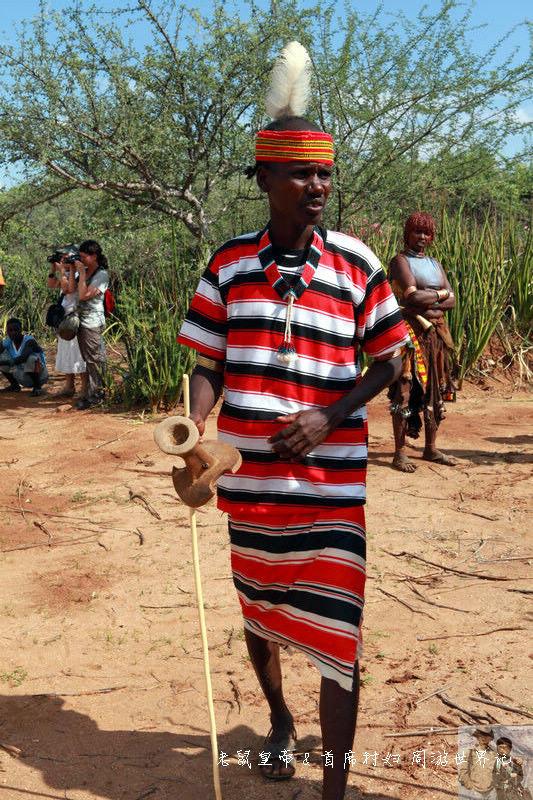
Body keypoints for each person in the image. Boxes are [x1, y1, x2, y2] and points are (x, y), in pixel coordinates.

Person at [177, 41, 409, 800]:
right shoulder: (228, 266)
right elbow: (206, 362)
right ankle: (277, 720)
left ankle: (334, 790)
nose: (318, 186)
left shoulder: (355, 264)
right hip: (248, 483)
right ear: (266, 178)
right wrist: (197, 433)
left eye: (324, 174)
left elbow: (387, 362)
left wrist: (327, 416)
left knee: (339, 633)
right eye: (303, 173)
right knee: (261, 611)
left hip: (329, 484)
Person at [388, 212, 457, 472]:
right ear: (407, 233)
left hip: (436, 334)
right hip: (410, 333)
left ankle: (430, 448)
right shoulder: (400, 261)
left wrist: (432, 296)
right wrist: (441, 294)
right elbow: (412, 298)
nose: (422, 237)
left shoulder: (435, 263)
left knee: (435, 389)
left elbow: (452, 301)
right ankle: (400, 452)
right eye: (417, 232)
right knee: (405, 388)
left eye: (427, 233)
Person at [70, 240, 109, 410]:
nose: (82, 260)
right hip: (81, 322)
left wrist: (82, 273)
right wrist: (72, 270)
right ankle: (91, 394)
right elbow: (71, 290)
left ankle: (98, 395)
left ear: (94, 256)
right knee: (87, 360)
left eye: (84, 256)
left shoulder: (102, 275)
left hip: (93, 322)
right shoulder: (83, 272)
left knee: (95, 359)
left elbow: (84, 295)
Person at [47, 253, 87, 398]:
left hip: (74, 320)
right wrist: (53, 269)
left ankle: (84, 387)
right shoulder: (67, 273)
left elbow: (68, 289)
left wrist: (64, 271)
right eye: (62, 259)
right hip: (64, 320)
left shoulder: (77, 275)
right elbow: (51, 284)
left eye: (66, 259)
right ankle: (69, 386)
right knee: (66, 352)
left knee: (78, 353)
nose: (63, 261)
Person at [0, 317, 48, 397]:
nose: (13, 333)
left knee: (31, 359)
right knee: (1, 357)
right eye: (10, 330)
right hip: (22, 376)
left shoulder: (29, 340)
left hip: (40, 377)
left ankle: (37, 387)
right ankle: (14, 385)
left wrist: (5, 362)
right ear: (7, 331)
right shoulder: (8, 342)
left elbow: (24, 357)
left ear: (21, 330)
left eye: (16, 330)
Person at [459, 727, 497, 799]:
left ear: (490, 738)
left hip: (491, 791)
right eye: (481, 735)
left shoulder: (494, 752)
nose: (483, 738)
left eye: (486, 736)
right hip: (476, 791)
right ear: (477, 736)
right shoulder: (469, 751)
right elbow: (463, 770)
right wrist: (470, 787)